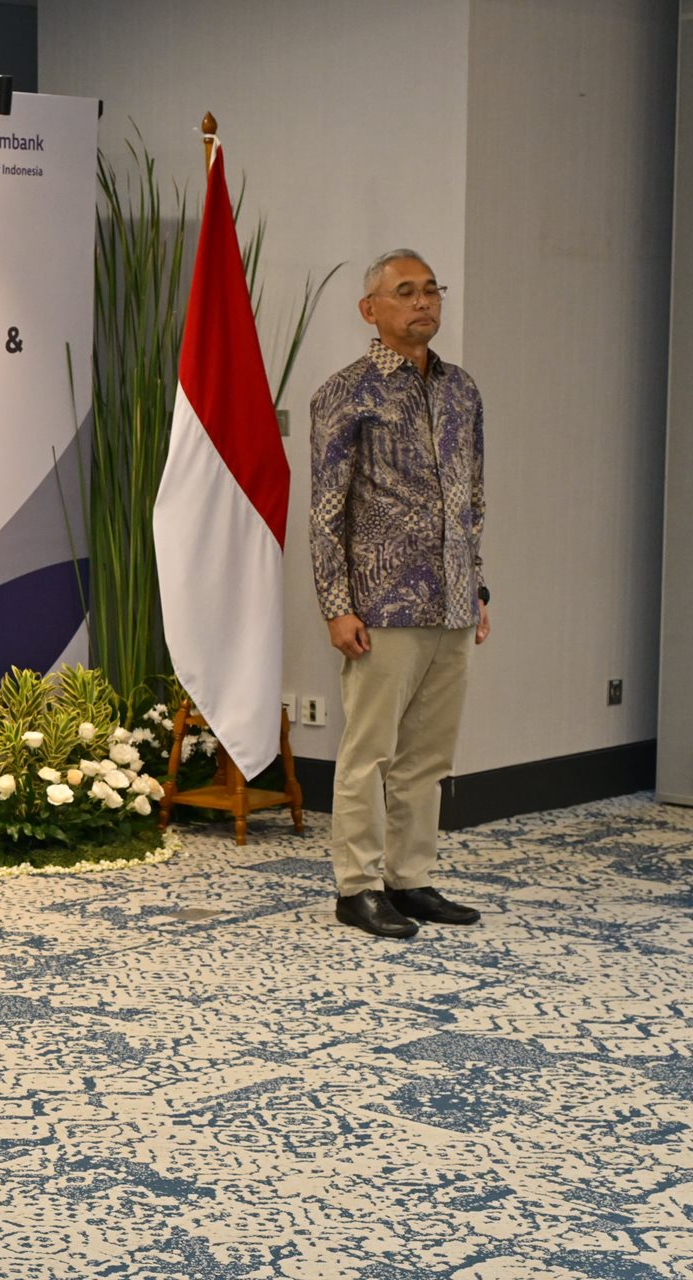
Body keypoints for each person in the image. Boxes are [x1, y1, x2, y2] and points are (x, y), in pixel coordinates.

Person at [309, 248, 490, 940]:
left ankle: (409, 878)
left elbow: (472, 501)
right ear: (370, 309)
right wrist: (337, 606)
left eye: (431, 291)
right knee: (370, 754)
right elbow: (326, 512)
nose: (423, 303)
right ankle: (356, 887)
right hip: (381, 607)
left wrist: (478, 587)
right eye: (406, 291)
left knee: (428, 758)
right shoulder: (346, 392)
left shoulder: (462, 390)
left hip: (451, 603)